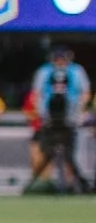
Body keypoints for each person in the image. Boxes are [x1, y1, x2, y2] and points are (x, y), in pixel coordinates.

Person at [26, 46, 89, 193]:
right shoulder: (44, 71)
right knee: (46, 153)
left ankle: (73, 185)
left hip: (70, 118)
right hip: (49, 119)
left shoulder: (76, 71)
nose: (60, 62)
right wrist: (43, 114)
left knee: (70, 156)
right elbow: (37, 93)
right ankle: (40, 184)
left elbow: (84, 92)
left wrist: (77, 111)